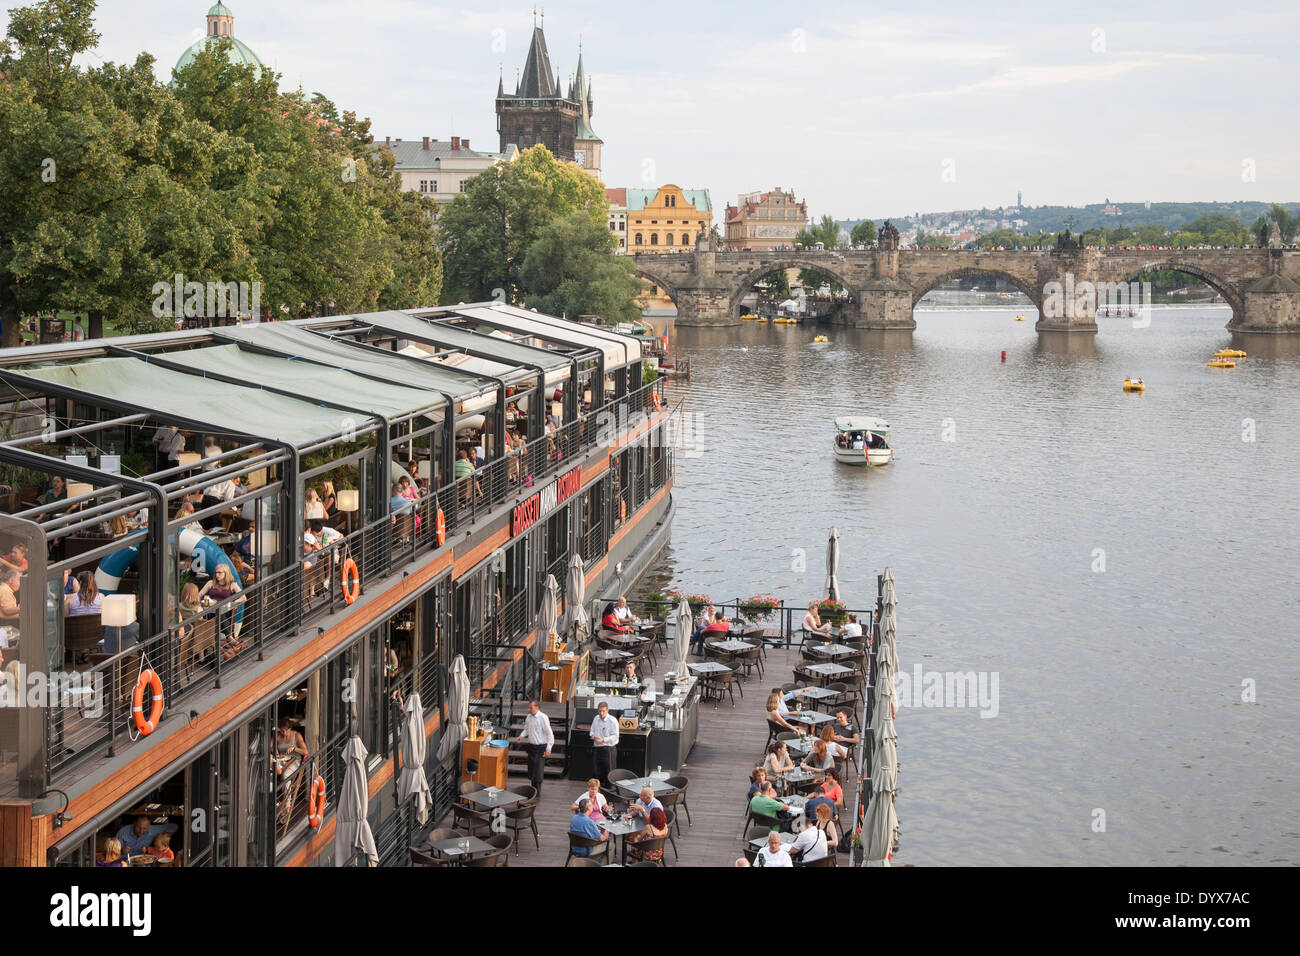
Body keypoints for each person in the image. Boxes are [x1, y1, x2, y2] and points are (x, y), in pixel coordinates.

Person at [517, 698, 554, 793]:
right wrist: (521, 736)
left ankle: (537, 791)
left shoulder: (543, 717)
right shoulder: (529, 717)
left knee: (538, 770)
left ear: (537, 707)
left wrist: (549, 748)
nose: (529, 710)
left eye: (531, 708)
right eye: (529, 708)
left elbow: (549, 733)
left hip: (541, 747)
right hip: (532, 746)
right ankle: (533, 789)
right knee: (532, 769)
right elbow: (526, 729)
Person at [589, 700, 619, 784]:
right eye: (599, 711)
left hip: (608, 749)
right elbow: (591, 731)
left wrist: (603, 739)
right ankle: (598, 791)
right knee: (596, 771)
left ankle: (610, 791)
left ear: (607, 710)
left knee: (609, 772)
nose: (601, 713)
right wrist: (593, 736)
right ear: (597, 710)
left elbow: (615, 736)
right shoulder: (596, 718)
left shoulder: (612, 721)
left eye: (603, 711)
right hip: (597, 748)